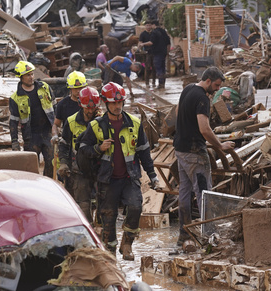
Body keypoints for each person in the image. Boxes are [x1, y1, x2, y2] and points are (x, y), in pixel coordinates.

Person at [78, 82, 159, 261]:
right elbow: (83, 149)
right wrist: (99, 148)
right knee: (108, 217)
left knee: (136, 207)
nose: (117, 106)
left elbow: (144, 151)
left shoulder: (134, 123)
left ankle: (127, 244)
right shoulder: (96, 126)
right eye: (113, 103)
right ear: (105, 104)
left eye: (120, 102)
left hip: (129, 177)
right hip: (107, 180)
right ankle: (111, 252)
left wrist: (152, 176)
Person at [173, 67, 234, 246]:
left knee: (184, 191)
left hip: (181, 150)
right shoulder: (201, 98)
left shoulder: (188, 89)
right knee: (204, 194)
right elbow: (204, 128)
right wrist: (220, 145)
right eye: (216, 85)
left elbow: (177, 112)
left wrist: (186, 128)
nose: (217, 89)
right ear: (208, 80)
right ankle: (209, 238)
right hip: (194, 153)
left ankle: (184, 234)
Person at [58, 87, 102, 222]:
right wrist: (64, 163)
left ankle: (102, 231)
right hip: (80, 169)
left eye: (93, 108)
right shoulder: (71, 121)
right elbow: (64, 144)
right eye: (87, 108)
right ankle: (89, 229)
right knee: (83, 204)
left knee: (103, 204)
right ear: (80, 105)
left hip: (101, 167)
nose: (90, 111)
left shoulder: (104, 121)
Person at [9, 61, 57, 178]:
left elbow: (55, 108)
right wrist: (14, 141)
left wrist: (58, 128)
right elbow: (13, 122)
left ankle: (48, 186)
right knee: (31, 167)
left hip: (47, 132)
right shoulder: (15, 98)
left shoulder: (45, 88)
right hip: (31, 137)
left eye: (31, 74)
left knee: (51, 163)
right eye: (27, 75)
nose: (31, 77)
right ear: (21, 77)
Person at [151, 20, 170, 89]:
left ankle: (160, 83)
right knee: (163, 68)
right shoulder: (163, 31)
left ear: (153, 25)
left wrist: (143, 44)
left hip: (157, 53)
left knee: (158, 68)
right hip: (163, 53)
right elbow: (168, 41)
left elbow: (151, 42)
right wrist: (167, 52)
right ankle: (163, 83)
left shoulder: (154, 32)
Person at [138, 21, 155, 87]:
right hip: (147, 53)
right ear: (145, 26)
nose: (148, 27)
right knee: (147, 67)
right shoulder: (143, 34)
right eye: (147, 25)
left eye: (149, 25)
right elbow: (140, 43)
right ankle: (147, 82)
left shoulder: (153, 33)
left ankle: (153, 82)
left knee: (154, 68)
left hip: (154, 52)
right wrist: (139, 49)